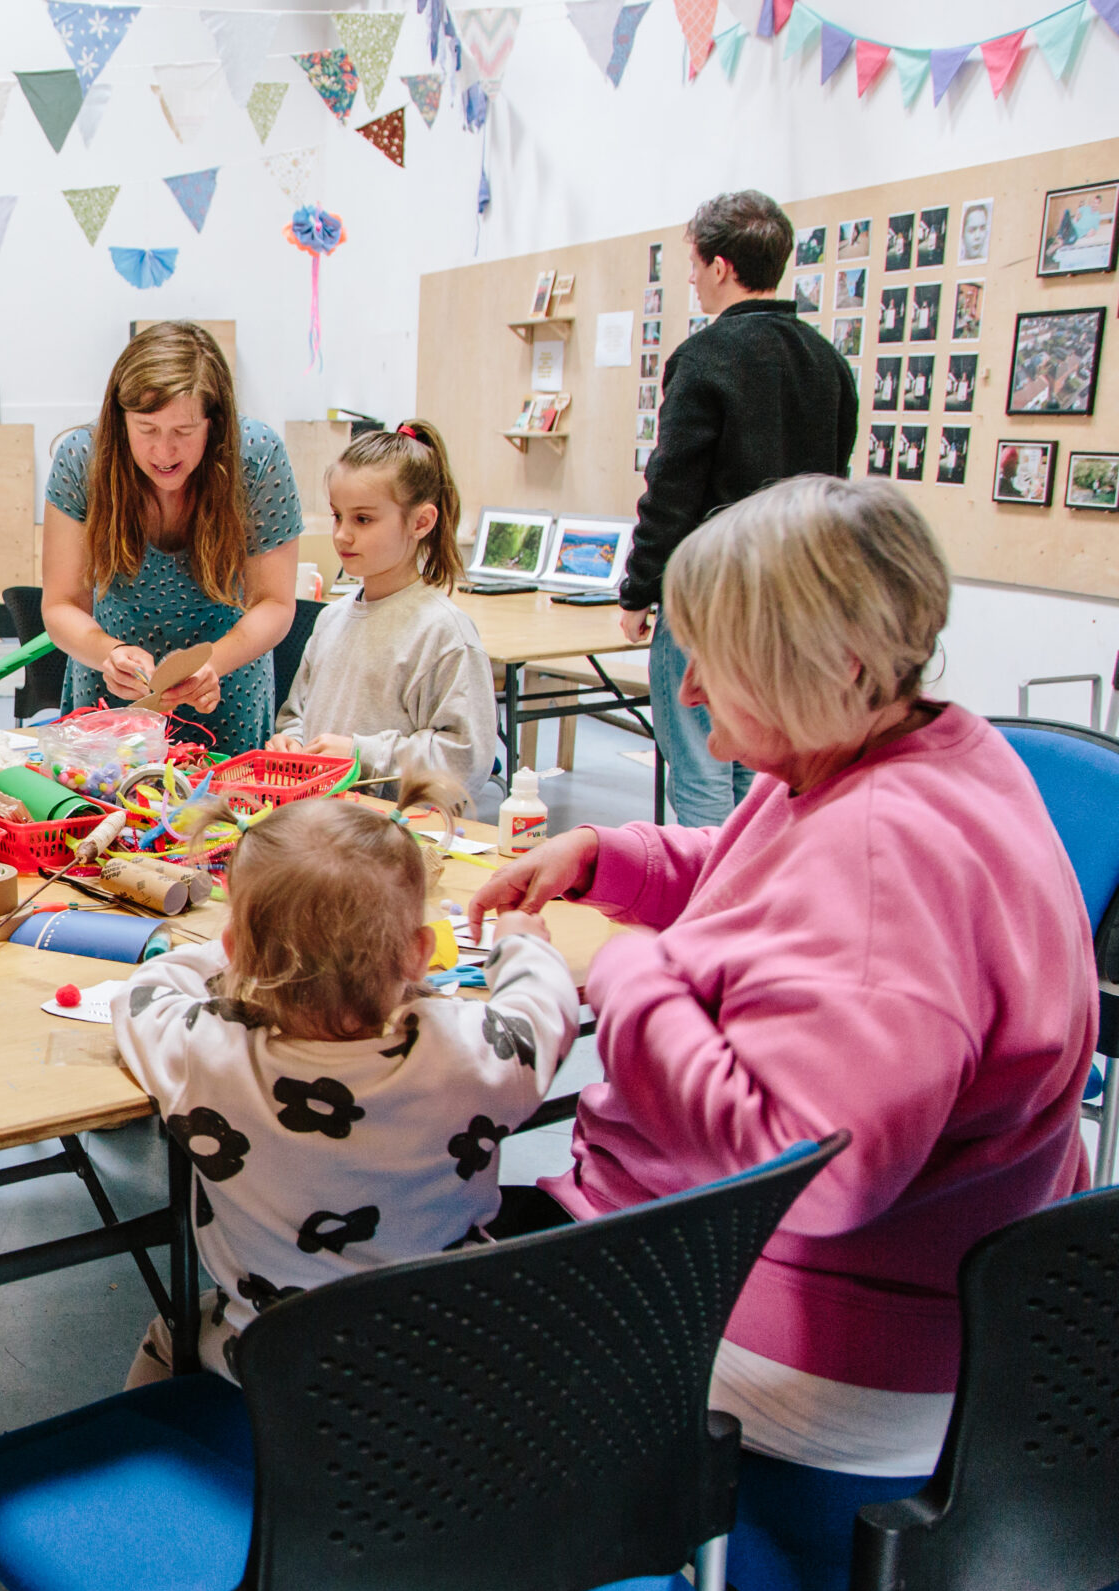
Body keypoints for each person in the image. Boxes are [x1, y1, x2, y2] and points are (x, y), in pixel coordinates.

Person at [472, 477, 1094, 1479]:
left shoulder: (886, 861)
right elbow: (760, 877)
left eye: (713, 661)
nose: (682, 691)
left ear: (832, 667)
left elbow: (816, 1174)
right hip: (892, 1290)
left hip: (835, 1344)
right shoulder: (909, 747)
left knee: (380, 1309)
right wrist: (603, 857)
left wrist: (634, 978)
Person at [114, 775, 577, 1385]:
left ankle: (168, 1459)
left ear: (237, 949)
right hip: (455, 1362)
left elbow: (142, 994)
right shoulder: (473, 1054)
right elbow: (548, 1011)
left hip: (278, 1368)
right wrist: (521, 946)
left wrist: (226, 958)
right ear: (419, 953)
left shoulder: (206, 1053)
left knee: (172, 1332)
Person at [620, 190, 858, 826]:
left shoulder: (703, 359)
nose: (692, 278)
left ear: (721, 266)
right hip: (799, 597)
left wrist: (638, 591)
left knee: (699, 766)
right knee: (769, 767)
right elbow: (836, 490)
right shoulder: (829, 364)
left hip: (712, 594)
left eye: (695, 264)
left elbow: (673, 489)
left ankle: (708, 911)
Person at [41, 321, 304, 752]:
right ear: (119, 418)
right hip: (113, 689)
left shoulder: (256, 456)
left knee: (222, 811)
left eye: (183, 432)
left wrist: (212, 663)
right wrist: (109, 653)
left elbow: (274, 602)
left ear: (214, 424)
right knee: (107, 807)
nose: (164, 452)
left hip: (227, 686)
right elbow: (61, 604)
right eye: (146, 429)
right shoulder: (82, 459)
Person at [268, 421, 497, 808]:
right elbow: (296, 715)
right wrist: (293, 744)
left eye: (363, 519)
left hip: (397, 837)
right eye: (338, 516)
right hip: (323, 824)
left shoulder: (444, 632)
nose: (342, 535)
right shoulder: (331, 619)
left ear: (421, 522)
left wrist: (362, 755)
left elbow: (465, 761)